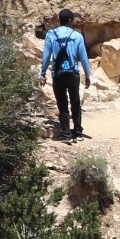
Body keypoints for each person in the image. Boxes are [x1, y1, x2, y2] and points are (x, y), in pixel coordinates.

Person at [40, 10, 91, 142]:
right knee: (75, 102)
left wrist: (42, 73)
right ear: (69, 21)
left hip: (58, 73)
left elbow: (46, 56)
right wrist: (88, 75)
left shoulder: (51, 34)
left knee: (62, 104)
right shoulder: (77, 36)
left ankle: (66, 134)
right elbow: (83, 58)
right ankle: (78, 132)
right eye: (72, 19)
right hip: (73, 73)